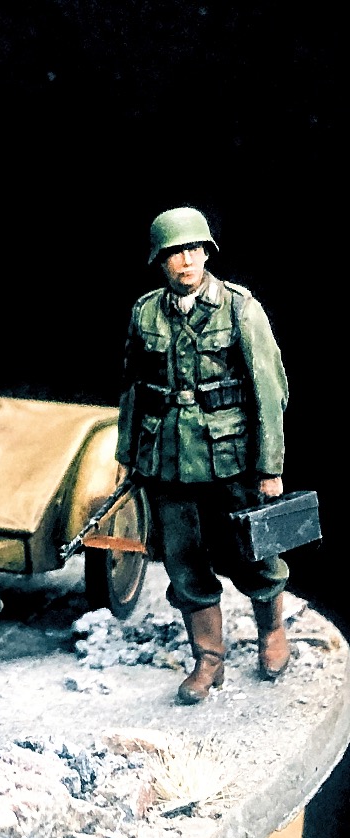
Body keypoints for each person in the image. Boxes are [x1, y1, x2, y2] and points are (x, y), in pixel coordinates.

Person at [116, 206, 289, 705]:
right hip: (168, 459)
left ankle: (272, 631)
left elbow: (269, 391)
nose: (186, 261)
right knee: (184, 562)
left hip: (230, 459)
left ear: (207, 253)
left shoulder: (239, 308)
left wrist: (270, 467)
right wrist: (127, 454)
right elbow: (133, 387)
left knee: (253, 554)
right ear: (160, 261)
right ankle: (209, 658)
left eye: (194, 250)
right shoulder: (146, 313)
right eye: (175, 253)